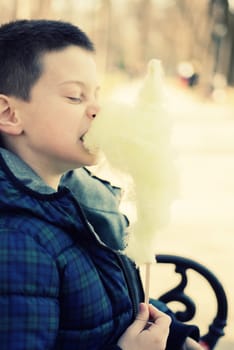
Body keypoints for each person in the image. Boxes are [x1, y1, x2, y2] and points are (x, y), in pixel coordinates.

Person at [0, 19, 202, 350]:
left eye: (97, 94)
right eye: (74, 97)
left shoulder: (82, 204)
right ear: (9, 114)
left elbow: (121, 306)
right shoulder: (16, 244)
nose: (97, 109)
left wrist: (177, 336)